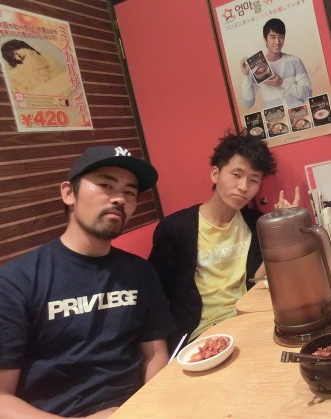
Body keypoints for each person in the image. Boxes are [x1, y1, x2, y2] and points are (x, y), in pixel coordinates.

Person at [0, 146, 175, 418]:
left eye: (130, 192)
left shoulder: (140, 271)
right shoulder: (15, 281)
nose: (119, 199)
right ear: (69, 193)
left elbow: (155, 355)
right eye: (106, 185)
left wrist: (152, 407)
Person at [148, 132, 299, 351]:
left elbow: (258, 280)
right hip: (202, 335)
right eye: (236, 175)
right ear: (215, 174)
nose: (244, 187)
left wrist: (281, 231)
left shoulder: (255, 222)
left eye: (253, 180)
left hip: (252, 320)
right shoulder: (175, 229)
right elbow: (155, 299)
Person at [240, 18, 312, 110]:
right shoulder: (257, 65)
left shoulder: (294, 61)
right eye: (273, 37)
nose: (277, 42)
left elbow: (308, 94)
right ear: (265, 40)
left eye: (281, 37)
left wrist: (282, 83)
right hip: (275, 117)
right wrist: (246, 76)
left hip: (300, 114)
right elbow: (248, 104)